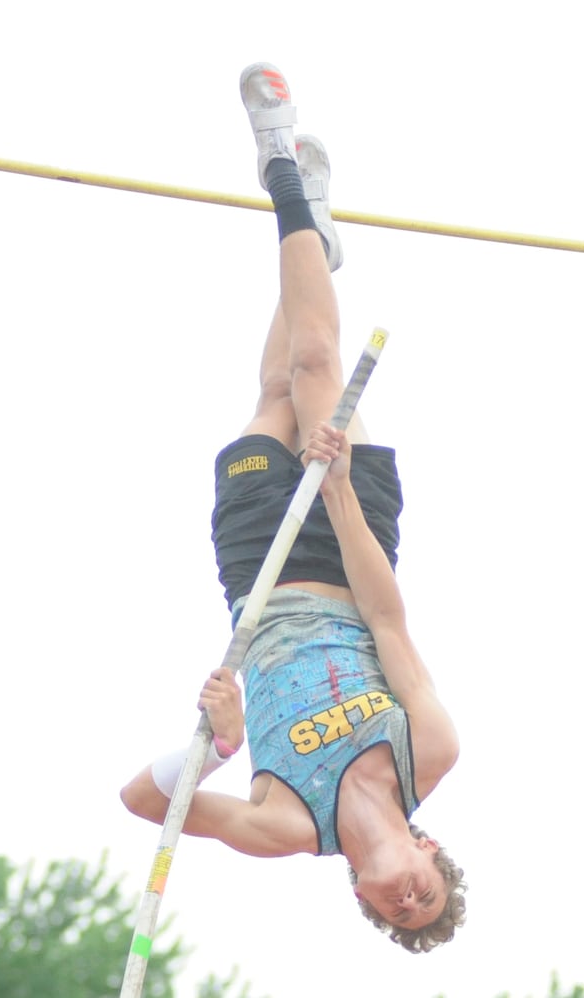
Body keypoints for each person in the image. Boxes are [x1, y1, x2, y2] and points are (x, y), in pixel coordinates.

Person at [119, 63, 465, 953]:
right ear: (429, 854)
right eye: (423, 898)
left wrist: (223, 743)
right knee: (317, 364)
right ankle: (279, 162)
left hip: (255, 578)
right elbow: (388, 618)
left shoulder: (283, 826)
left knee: (278, 380)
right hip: (347, 545)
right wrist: (342, 489)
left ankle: (310, 227)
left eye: (395, 914)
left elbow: (143, 804)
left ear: (362, 896)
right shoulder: (427, 750)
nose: (406, 902)